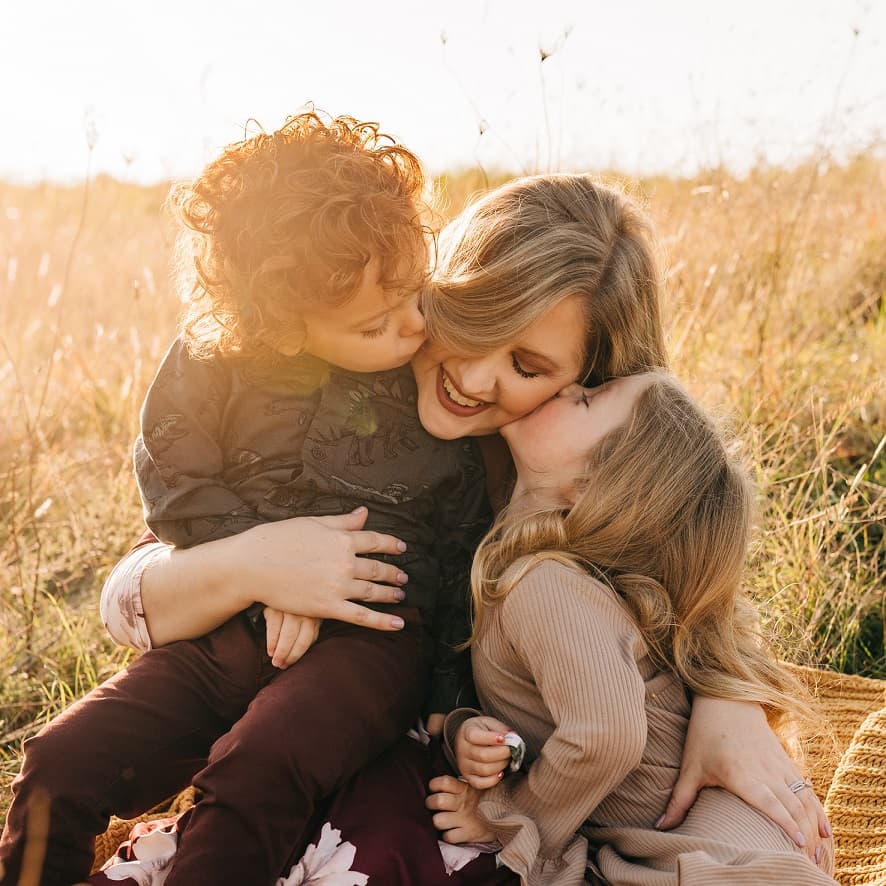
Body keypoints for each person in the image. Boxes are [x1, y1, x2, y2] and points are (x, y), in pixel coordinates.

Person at [6, 173, 828, 884]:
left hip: (417, 743)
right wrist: (257, 563)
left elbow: (689, 576)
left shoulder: (563, 474)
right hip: (269, 679)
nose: (473, 378)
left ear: (593, 384)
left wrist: (730, 698)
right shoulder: (352, 355)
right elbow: (130, 594)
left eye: (530, 368)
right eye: (469, 319)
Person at [0, 110, 493, 886]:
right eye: (374, 324)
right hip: (222, 633)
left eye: (413, 292)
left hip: (374, 638)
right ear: (285, 329)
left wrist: (448, 703)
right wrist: (270, 570)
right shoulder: (214, 360)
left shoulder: (434, 379)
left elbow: (466, 534)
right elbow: (176, 477)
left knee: (259, 766)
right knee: (60, 759)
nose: (412, 327)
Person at [420, 370, 837, 884]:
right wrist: (471, 729)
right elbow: (542, 709)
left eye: (588, 400)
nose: (569, 388)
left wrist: (507, 815)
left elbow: (604, 735)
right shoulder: (561, 574)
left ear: (593, 484)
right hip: (706, 838)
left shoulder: (543, 583)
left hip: (720, 852)